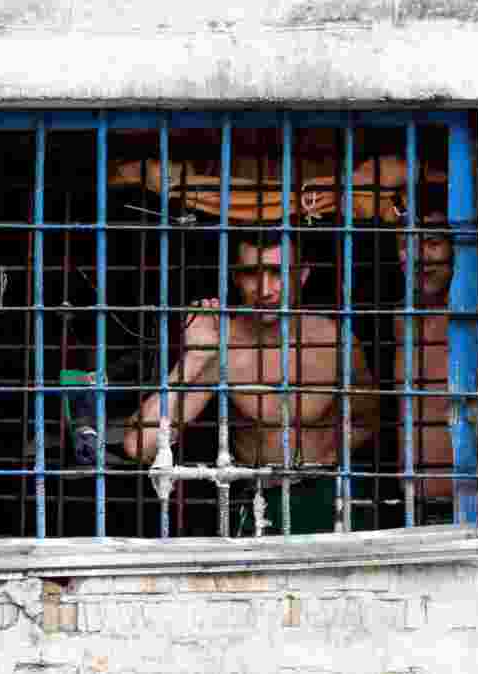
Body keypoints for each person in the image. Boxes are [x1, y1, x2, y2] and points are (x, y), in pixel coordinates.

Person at [121, 229, 379, 534]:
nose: (265, 289)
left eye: (277, 273)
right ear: (234, 277)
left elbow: (370, 421)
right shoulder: (223, 343)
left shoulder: (335, 341)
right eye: (251, 274)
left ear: (303, 275)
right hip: (261, 504)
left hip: (334, 496)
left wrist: (323, 459)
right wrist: (194, 357)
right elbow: (140, 446)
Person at [393, 212, 455, 514]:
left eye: (432, 242)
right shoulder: (400, 320)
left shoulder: (474, 321)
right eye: (406, 243)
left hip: (465, 504)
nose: (419, 256)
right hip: (408, 502)